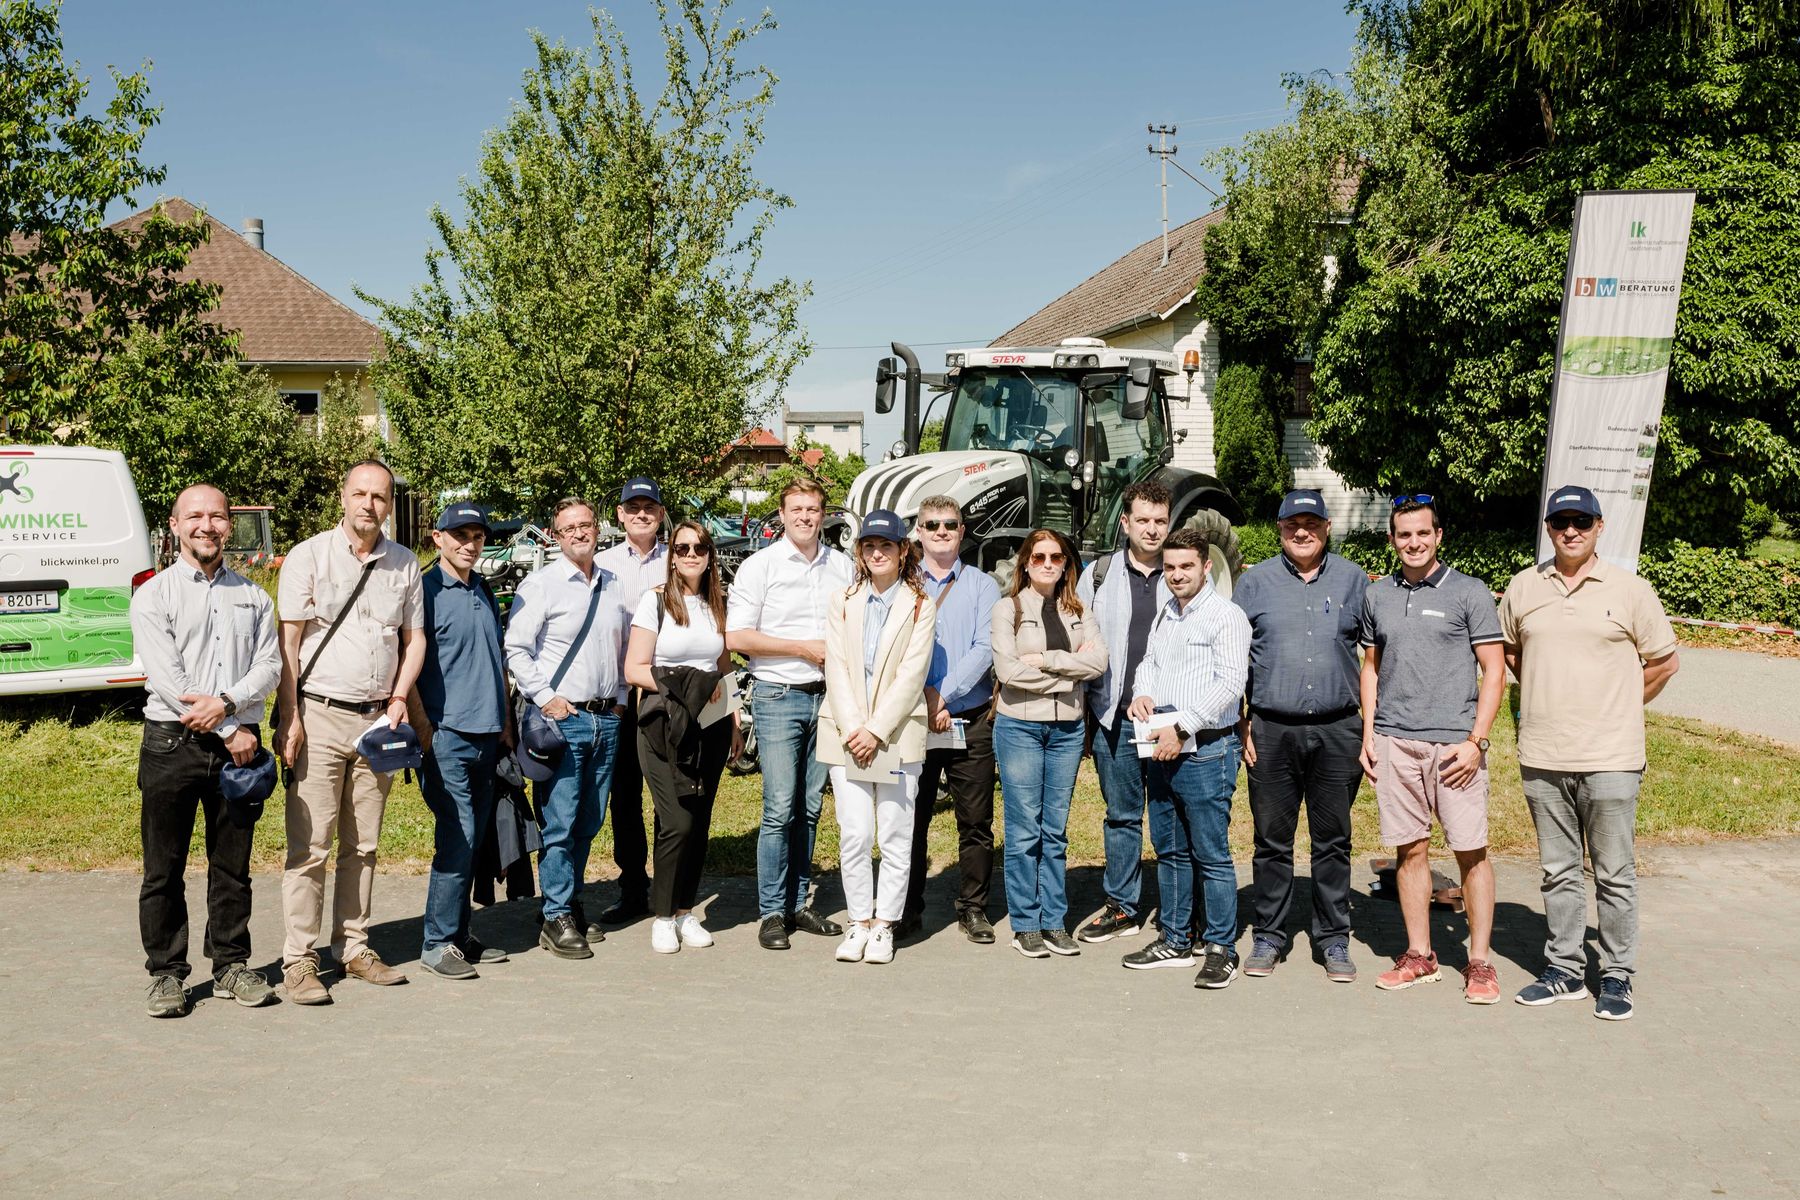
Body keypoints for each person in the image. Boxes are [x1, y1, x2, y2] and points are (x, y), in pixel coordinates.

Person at [1500, 485, 1679, 1021]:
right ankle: (1565, 970)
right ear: (1549, 529)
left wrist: (1620, 703)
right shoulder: (1523, 587)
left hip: (1611, 758)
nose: (1570, 531)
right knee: (1558, 871)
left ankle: (1618, 975)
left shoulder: (1630, 590)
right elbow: (1511, 652)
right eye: (1560, 523)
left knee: (1614, 873)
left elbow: (1664, 662)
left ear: (1600, 527)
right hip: (1544, 755)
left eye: (1581, 521)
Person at [276, 460, 426, 1005]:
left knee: (363, 845)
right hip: (317, 715)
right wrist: (288, 716)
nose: (369, 504)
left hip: (376, 724)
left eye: (379, 496)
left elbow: (414, 642)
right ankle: (299, 960)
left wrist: (397, 698)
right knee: (310, 846)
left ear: (390, 504)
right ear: (343, 497)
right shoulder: (307, 556)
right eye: (360, 493)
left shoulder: (405, 564)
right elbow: (288, 646)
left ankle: (355, 946)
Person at [131, 483, 282, 1017]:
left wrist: (229, 704)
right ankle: (167, 974)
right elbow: (168, 679)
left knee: (232, 866)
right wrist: (227, 723)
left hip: (237, 748)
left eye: (218, 517)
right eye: (194, 516)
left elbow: (269, 666)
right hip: (172, 744)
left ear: (228, 527)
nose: (207, 526)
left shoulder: (255, 596)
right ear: (174, 526)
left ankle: (231, 966)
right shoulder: (153, 594)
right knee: (163, 869)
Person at [1357, 497, 1506, 1003]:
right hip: (1396, 741)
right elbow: (1371, 668)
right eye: (1403, 535)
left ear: (1438, 536)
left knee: (1471, 852)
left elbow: (1494, 669)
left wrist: (1476, 741)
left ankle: (1480, 962)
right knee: (1410, 849)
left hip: (1455, 748)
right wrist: (1369, 735)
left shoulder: (1470, 592)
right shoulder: (1378, 597)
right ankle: (1420, 954)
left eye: (1422, 533)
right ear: (1393, 539)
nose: (1413, 543)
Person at [1230, 489, 1370, 982]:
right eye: (1293, 524)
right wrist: (1241, 721)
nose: (1302, 532)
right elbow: (1234, 660)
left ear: (1328, 527)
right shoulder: (1254, 583)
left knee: (1333, 840)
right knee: (1272, 840)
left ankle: (1333, 939)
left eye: (1312, 523)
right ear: (1280, 527)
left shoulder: (1354, 580)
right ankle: (1269, 934)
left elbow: (1373, 659)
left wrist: (1369, 729)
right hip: (1270, 729)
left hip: (1338, 729)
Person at [1120, 528, 1251, 987]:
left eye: (1186, 566)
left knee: (1211, 854)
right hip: (1162, 747)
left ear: (1206, 565)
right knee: (1170, 849)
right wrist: (1141, 695)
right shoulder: (1165, 616)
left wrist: (1181, 726)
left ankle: (1221, 947)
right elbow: (1148, 665)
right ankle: (1176, 940)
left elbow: (1230, 684)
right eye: (1170, 568)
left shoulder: (1225, 617)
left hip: (1206, 749)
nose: (1176, 575)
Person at [725, 478, 851, 950]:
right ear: (781, 515)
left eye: (813, 509)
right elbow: (737, 637)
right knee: (780, 808)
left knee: (812, 807)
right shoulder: (761, 566)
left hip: (829, 698)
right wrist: (801, 648)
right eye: (796, 509)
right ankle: (772, 912)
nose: (805, 517)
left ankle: (799, 902)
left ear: (824, 514)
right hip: (779, 695)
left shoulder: (842, 566)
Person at [504, 496, 629, 961]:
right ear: (555, 537)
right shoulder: (541, 585)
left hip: (604, 720)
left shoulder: (614, 585)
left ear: (598, 529)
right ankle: (556, 913)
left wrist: (618, 702)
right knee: (559, 822)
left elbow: (621, 650)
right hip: (563, 720)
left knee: (589, 821)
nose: (580, 533)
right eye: (569, 528)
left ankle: (568, 902)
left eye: (586, 525)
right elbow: (515, 648)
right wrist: (546, 698)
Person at [819, 509, 937, 965]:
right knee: (854, 832)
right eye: (869, 545)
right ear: (860, 552)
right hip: (845, 734)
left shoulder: (920, 604)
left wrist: (875, 729)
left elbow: (912, 674)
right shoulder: (843, 600)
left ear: (903, 550)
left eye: (886, 545)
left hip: (896, 735)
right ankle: (858, 922)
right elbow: (837, 667)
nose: (877, 553)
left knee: (893, 834)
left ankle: (885, 925)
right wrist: (855, 729)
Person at [623, 520, 740, 955]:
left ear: (710, 555)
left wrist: (734, 722)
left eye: (700, 547)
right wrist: (685, 684)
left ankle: (686, 911)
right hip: (661, 725)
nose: (691, 554)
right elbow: (634, 669)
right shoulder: (654, 602)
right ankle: (662, 916)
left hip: (708, 726)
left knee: (700, 821)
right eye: (683, 547)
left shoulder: (717, 604)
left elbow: (724, 668)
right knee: (676, 821)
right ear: (672, 554)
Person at [991, 529, 1107, 959]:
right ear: (1024, 563)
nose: (1046, 563)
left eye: (1055, 557)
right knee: (1024, 830)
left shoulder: (1079, 609)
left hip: (1067, 731)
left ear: (1065, 564)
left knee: (1054, 831)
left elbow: (1099, 663)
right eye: (1038, 556)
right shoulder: (1007, 610)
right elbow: (1008, 671)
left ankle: (1054, 920)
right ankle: (1025, 923)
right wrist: (1068, 676)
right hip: (1019, 727)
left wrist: (1051, 661)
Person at [413, 503, 514, 981]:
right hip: (447, 737)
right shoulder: (424, 592)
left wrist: (506, 724)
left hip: (488, 736)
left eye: (476, 536)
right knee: (459, 837)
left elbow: (495, 663)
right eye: (459, 535)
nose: (469, 544)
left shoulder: (483, 590)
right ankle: (436, 943)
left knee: (474, 842)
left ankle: (458, 935)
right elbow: (406, 667)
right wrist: (427, 732)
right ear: (438, 538)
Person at [898, 496, 1001, 945]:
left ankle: (973, 908)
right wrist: (922, 699)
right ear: (918, 532)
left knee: (975, 821)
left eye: (950, 524)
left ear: (963, 531)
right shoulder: (902, 584)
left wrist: (942, 694)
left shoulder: (982, 585)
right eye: (931, 524)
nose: (941, 531)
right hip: (913, 718)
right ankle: (906, 908)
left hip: (970, 719)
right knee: (910, 817)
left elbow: (984, 649)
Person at [1075, 480, 1173, 944]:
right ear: (1126, 522)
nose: (1152, 530)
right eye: (1144, 520)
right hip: (1114, 716)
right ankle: (1123, 905)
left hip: (1169, 720)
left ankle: (1178, 909)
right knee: (1122, 815)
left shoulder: (1186, 571)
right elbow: (1076, 640)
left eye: (1160, 521)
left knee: (1172, 813)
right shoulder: (1099, 573)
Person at [594, 476, 669, 925]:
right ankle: (632, 887)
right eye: (633, 507)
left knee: (667, 797)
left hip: (664, 696)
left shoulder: (679, 560)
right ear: (619, 514)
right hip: (620, 699)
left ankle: (668, 885)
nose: (641, 514)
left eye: (649, 507)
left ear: (660, 514)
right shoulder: (601, 564)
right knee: (623, 798)